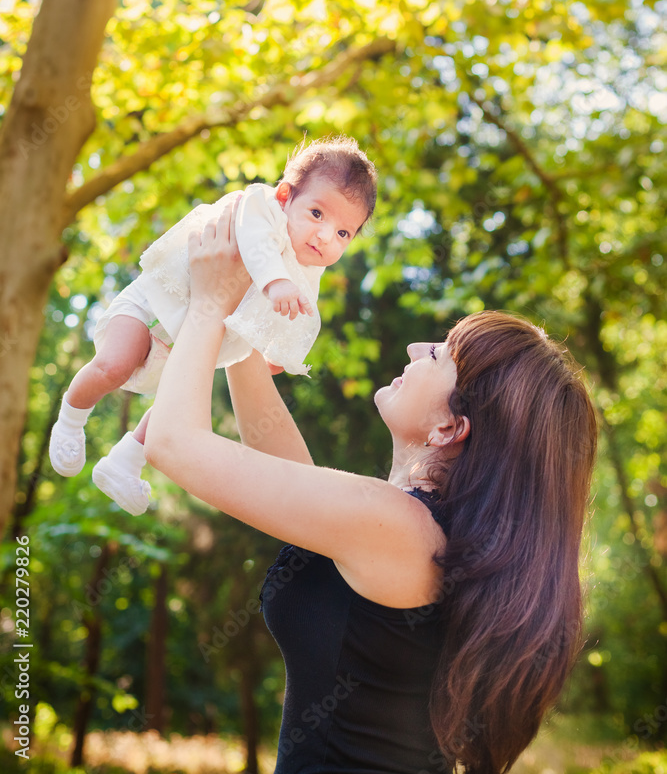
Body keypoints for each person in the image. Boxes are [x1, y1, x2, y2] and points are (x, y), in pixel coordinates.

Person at [142, 201, 598, 774]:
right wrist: (246, 318)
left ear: (451, 427)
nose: (414, 350)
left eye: (437, 354)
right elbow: (294, 477)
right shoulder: (408, 529)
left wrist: (209, 301)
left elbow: (172, 444)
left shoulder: (398, 529)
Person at [49, 136, 376, 516]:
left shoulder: (307, 266)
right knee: (114, 363)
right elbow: (256, 246)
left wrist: (276, 350)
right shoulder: (262, 207)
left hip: (190, 338)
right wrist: (275, 283)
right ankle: (72, 418)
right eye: (318, 214)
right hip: (155, 305)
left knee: (182, 400)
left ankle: (126, 461)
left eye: (343, 234)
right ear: (286, 195)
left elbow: (298, 312)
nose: (325, 237)